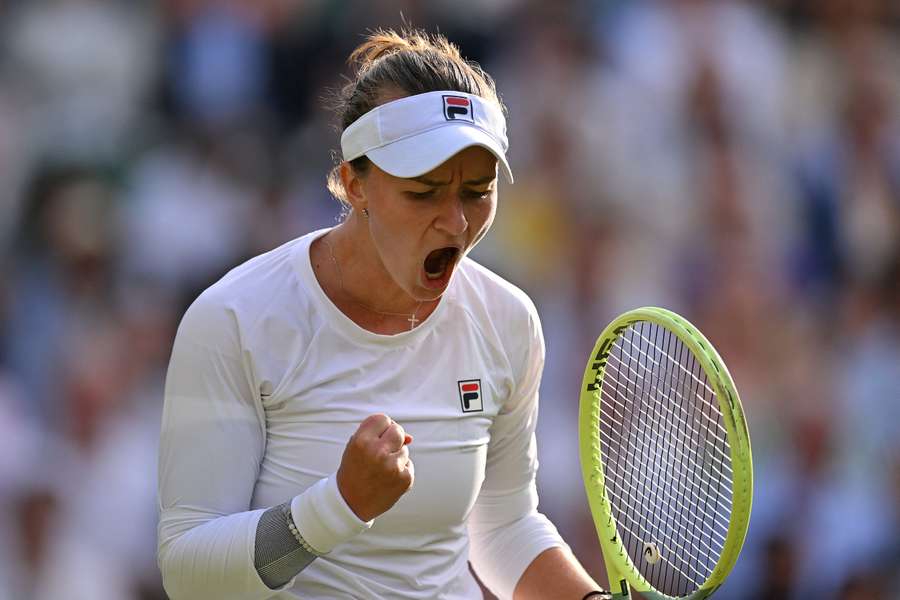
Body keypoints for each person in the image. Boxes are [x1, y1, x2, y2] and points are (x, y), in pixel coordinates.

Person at [157, 29, 611, 600]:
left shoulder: (508, 320)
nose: (456, 222)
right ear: (355, 184)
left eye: (477, 191)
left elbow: (502, 528)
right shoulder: (234, 320)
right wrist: (340, 505)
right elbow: (188, 575)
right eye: (424, 191)